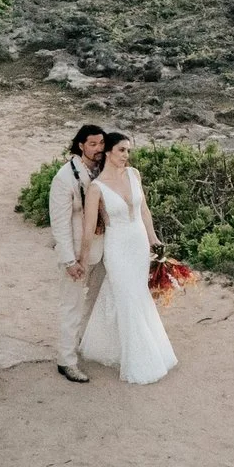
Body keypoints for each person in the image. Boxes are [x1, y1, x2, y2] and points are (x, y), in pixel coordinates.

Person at [76, 132, 178, 386]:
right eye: (122, 150)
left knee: (138, 295)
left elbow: (144, 209)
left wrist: (154, 240)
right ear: (108, 152)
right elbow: (89, 228)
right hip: (117, 247)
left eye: (128, 151)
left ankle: (111, 347)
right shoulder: (96, 188)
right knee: (126, 296)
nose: (126, 155)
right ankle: (138, 359)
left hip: (138, 244)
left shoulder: (134, 175)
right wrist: (82, 260)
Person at [50, 124, 108, 383]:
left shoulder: (105, 170)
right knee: (70, 306)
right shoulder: (65, 178)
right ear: (80, 145)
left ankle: (83, 344)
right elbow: (59, 222)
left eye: (101, 144)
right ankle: (66, 360)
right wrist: (68, 260)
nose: (98, 149)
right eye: (93, 144)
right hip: (76, 253)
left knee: (95, 302)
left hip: (103, 251)